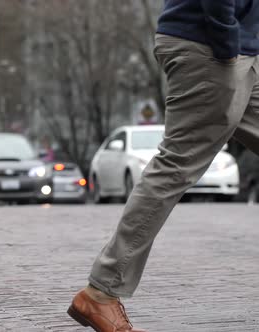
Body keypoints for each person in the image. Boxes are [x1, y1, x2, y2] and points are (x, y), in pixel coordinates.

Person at [68, 1, 259, 331]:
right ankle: (100, 292)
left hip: (243, 48)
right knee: (176, 166)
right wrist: (227, 44)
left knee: (175, 165)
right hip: (212, 47)